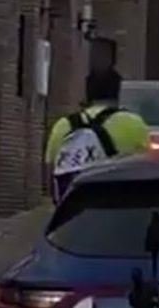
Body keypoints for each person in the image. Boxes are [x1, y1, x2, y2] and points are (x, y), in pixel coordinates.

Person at [45, 38, 150, 202]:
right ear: (117, 93)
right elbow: (144, 171)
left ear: (87, 94)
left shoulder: (63, 125)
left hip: (71, 213)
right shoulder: (133, 124)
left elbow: (51, 174)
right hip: (117, 208)